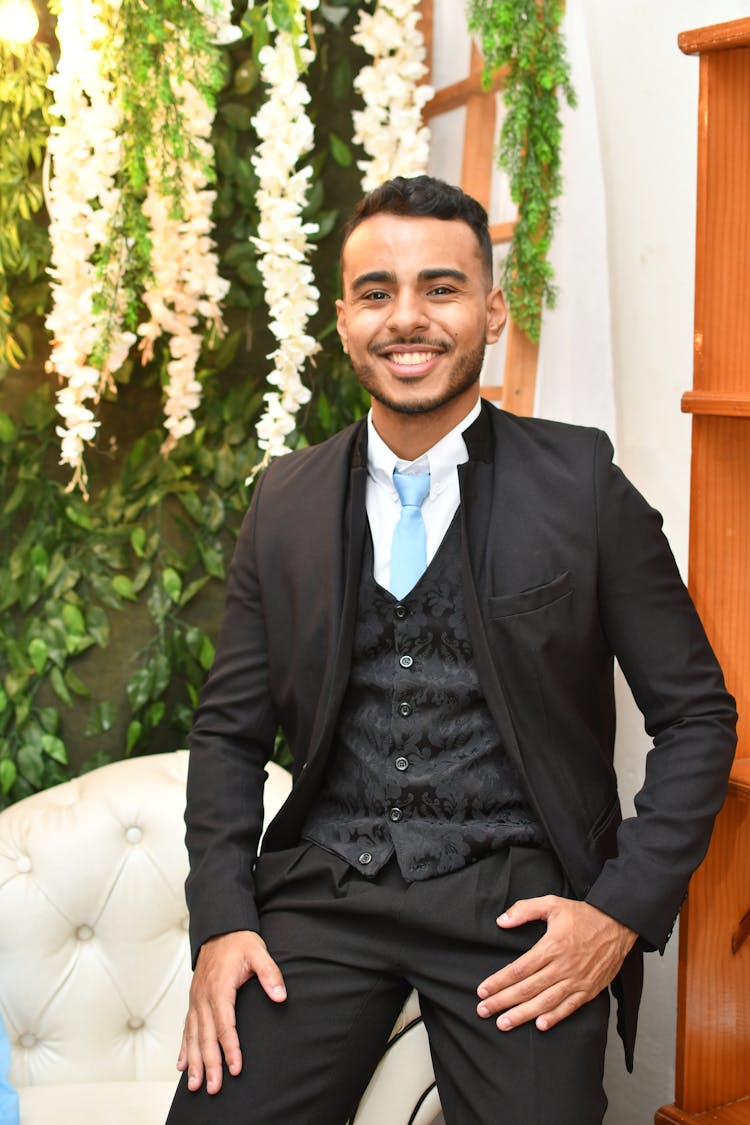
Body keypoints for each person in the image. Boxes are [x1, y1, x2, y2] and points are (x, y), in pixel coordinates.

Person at [166, 175, 736, 1125]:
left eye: (441, 287)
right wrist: (223, 922)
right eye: (378, 293)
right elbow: (228, 737)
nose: (408, 319)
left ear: (492, 310)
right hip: (324, 894)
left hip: (514, 906)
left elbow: (697, 715)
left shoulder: (582, 483)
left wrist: (618, 911)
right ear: (344, 319)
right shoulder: (287, 501)